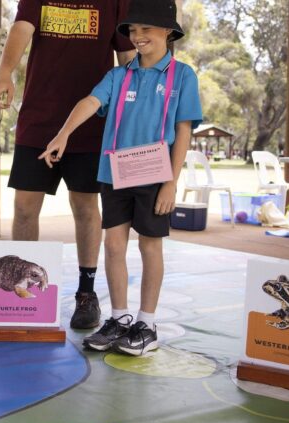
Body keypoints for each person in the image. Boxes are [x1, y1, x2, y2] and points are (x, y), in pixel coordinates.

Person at [42, 0, 203, 355]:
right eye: (133, 30)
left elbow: (184, 130)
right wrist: (64, 133)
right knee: (114, 245)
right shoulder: (119, 76)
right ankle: (120, 319)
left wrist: (171, 182)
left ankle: (147, 324)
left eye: (146, 29)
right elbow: (90, 102)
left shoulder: (183, 76)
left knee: (149, 245)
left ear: (168, 31)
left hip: (156, 175)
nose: (138, 36)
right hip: (115, 173)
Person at [0, 0, 136, 330]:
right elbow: (21, 29)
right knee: (24, 208)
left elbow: (127, 56)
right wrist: (5, 73)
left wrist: (133, 110)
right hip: (39, 121)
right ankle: (20, 293)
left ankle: (86, 293)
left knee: (85, 206)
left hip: (91, 122)